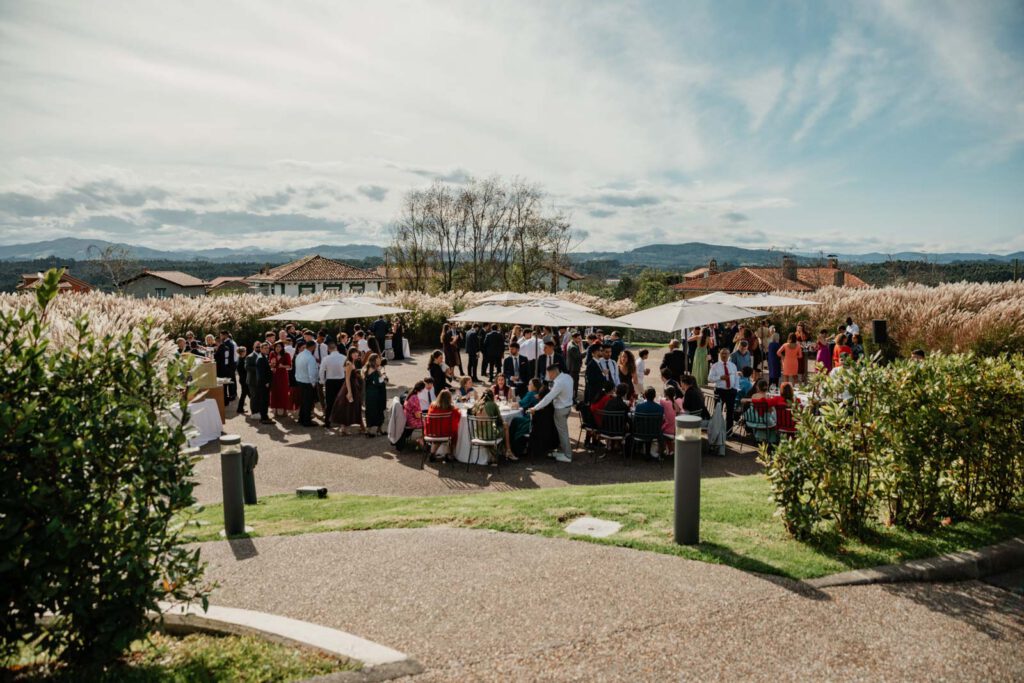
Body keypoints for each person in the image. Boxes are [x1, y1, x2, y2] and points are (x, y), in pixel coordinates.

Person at [527, 364, 574, 463]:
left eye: (549, 374)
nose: (548, 377)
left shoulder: (559, 383)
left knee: (563, 433)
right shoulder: (568, 377)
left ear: (553, 372)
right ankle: (564, 451)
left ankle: (567, 455)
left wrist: (535, 408)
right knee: (563, 431)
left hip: (560, 409)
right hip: (568, 407)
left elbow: (548, 398)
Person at [470, 389, 512, 463]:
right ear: (492, 396)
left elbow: (470, 412)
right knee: (505, 426)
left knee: (490, 429)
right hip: (490, 435)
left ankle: (495, 454)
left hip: (478, 434)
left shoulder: (477, 404)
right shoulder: (492, 404)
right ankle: (508, 450)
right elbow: (500, 420)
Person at [331, 348, 365, 435]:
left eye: (356, 353)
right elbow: (347, 379)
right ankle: (344, 428)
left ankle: (344, 428)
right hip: (350, 387)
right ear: (350, 354)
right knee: (347, 406)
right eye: (354, 353)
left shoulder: (352, 362)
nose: (356, 354)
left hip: (353, 386)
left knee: (348, 406)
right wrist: (349, 392)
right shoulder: (349, 363)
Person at [708, 348, 739, 434]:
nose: (724, 355)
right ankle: (716, 431)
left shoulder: (733, 365)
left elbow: (736, 378)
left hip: (731, 391)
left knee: (730, 413)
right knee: (718, 412)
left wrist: (736, 389)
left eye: (726, 353)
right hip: (720, 391)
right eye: (722, 354)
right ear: (719, 355)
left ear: (729, 355)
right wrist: (720, 377)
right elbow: (710, 378)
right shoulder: (715, 366)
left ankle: (729, 431)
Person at [425, 389, 461, 462]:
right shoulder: (452, 408)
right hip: (446, 433)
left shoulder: (432, 406)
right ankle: (449, 454)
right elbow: (458, 417)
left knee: (439, 434)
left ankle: (432, 453)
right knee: (454, 432)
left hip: (432, 431)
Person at [632, 386, 665, 459]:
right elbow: (661, 421)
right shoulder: (660, 408)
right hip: (655, 432)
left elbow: (636, 420)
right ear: (654, 396)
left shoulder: (639, 407)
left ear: (645, 396)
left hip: (640, 432)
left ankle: (637, 449)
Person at [293, 340, 319, 427]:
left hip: (300, 380)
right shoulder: (310, 358)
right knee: (308, 402)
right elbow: (312, 372)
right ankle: (306, 421)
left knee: (303, 401)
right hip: (307, 382)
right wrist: (313, 383)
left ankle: (301, 418)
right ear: (313, 347)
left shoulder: (299, 355)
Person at [320, 342, 345, 428]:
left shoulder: (326, 359)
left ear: (328, 349)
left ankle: (327, 422)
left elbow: (321, 370)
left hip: (330, 381)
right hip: (341, 380)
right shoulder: (343, 357)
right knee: (341, 401)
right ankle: (341, 420)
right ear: (336, 348)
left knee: (329, 402)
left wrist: (322, 381)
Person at [396, 381, 425, 450]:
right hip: (412, 421)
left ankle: (423, 439)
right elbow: (417, 415)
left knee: (427, 420)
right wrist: (425, 416)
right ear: (422, 390)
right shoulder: (415, 398)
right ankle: (422, 439)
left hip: (408, 418)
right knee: (430, 423)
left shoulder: (410, 394)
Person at [363, 353, 387, 437]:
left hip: (373, 393)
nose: (380, 360)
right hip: (375, 394)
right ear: (374, 360)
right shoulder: (373, 369)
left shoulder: (370, 368)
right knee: (375, 411)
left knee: (376, 411)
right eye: (378, 359)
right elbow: (377, 382)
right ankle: (369, 431)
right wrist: (383, 378)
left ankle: (377, 429)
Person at [269, 341, 293, 416]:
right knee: (274, 392)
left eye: (279, 346)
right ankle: (275, 410)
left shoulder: (286, 354)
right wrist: (271, 365)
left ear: (282, 347)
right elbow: (270, 363)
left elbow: (289, 366)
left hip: (283, 376)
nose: (277, 348)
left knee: (283, 392)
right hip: (274, 375)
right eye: (276, 346)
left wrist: (282, 366)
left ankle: (285, 410)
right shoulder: (272, 353)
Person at [251, 342, 273, 424]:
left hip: (264, 383)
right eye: (265, 348)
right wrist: (266, 382)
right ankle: (264, 418)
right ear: (261, 349)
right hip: (263, 384)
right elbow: (261, 373)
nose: (267, 350)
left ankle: (265, 416)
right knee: (263, 401)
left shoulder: (264, 357)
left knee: (265, 401)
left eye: (268, 348)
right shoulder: (260, 358)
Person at [215, 331, 237, 404]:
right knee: (228, 382)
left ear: (225, 335)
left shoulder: (228, 344)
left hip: (227, 366)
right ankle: (230, 395)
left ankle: (230, 396)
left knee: (227, 382)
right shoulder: (229, 343)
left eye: (221, 336)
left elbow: (229, 356)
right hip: (228, 366)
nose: (220, 337)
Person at [566, 331, 585, 401]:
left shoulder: (574, 344)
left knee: (574, 383)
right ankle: (573, 398)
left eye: (580, 338)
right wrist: (587, 351)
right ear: (574, 338)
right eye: (578, 338)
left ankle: (573, 397)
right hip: (573, 368)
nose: (580, 340)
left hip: (573, 368)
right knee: (574, 384)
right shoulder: (572, 347)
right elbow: (578, 357)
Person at [235, 345, 249, 414]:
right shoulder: (241, 360)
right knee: (244, 394)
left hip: (243, 379)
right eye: (245, 351)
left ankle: (240, 409)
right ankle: (240, 409)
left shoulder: (241, 359)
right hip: (244, 380)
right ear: (242, 352)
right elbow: (245, 370)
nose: (246, 352)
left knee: (245, 394)